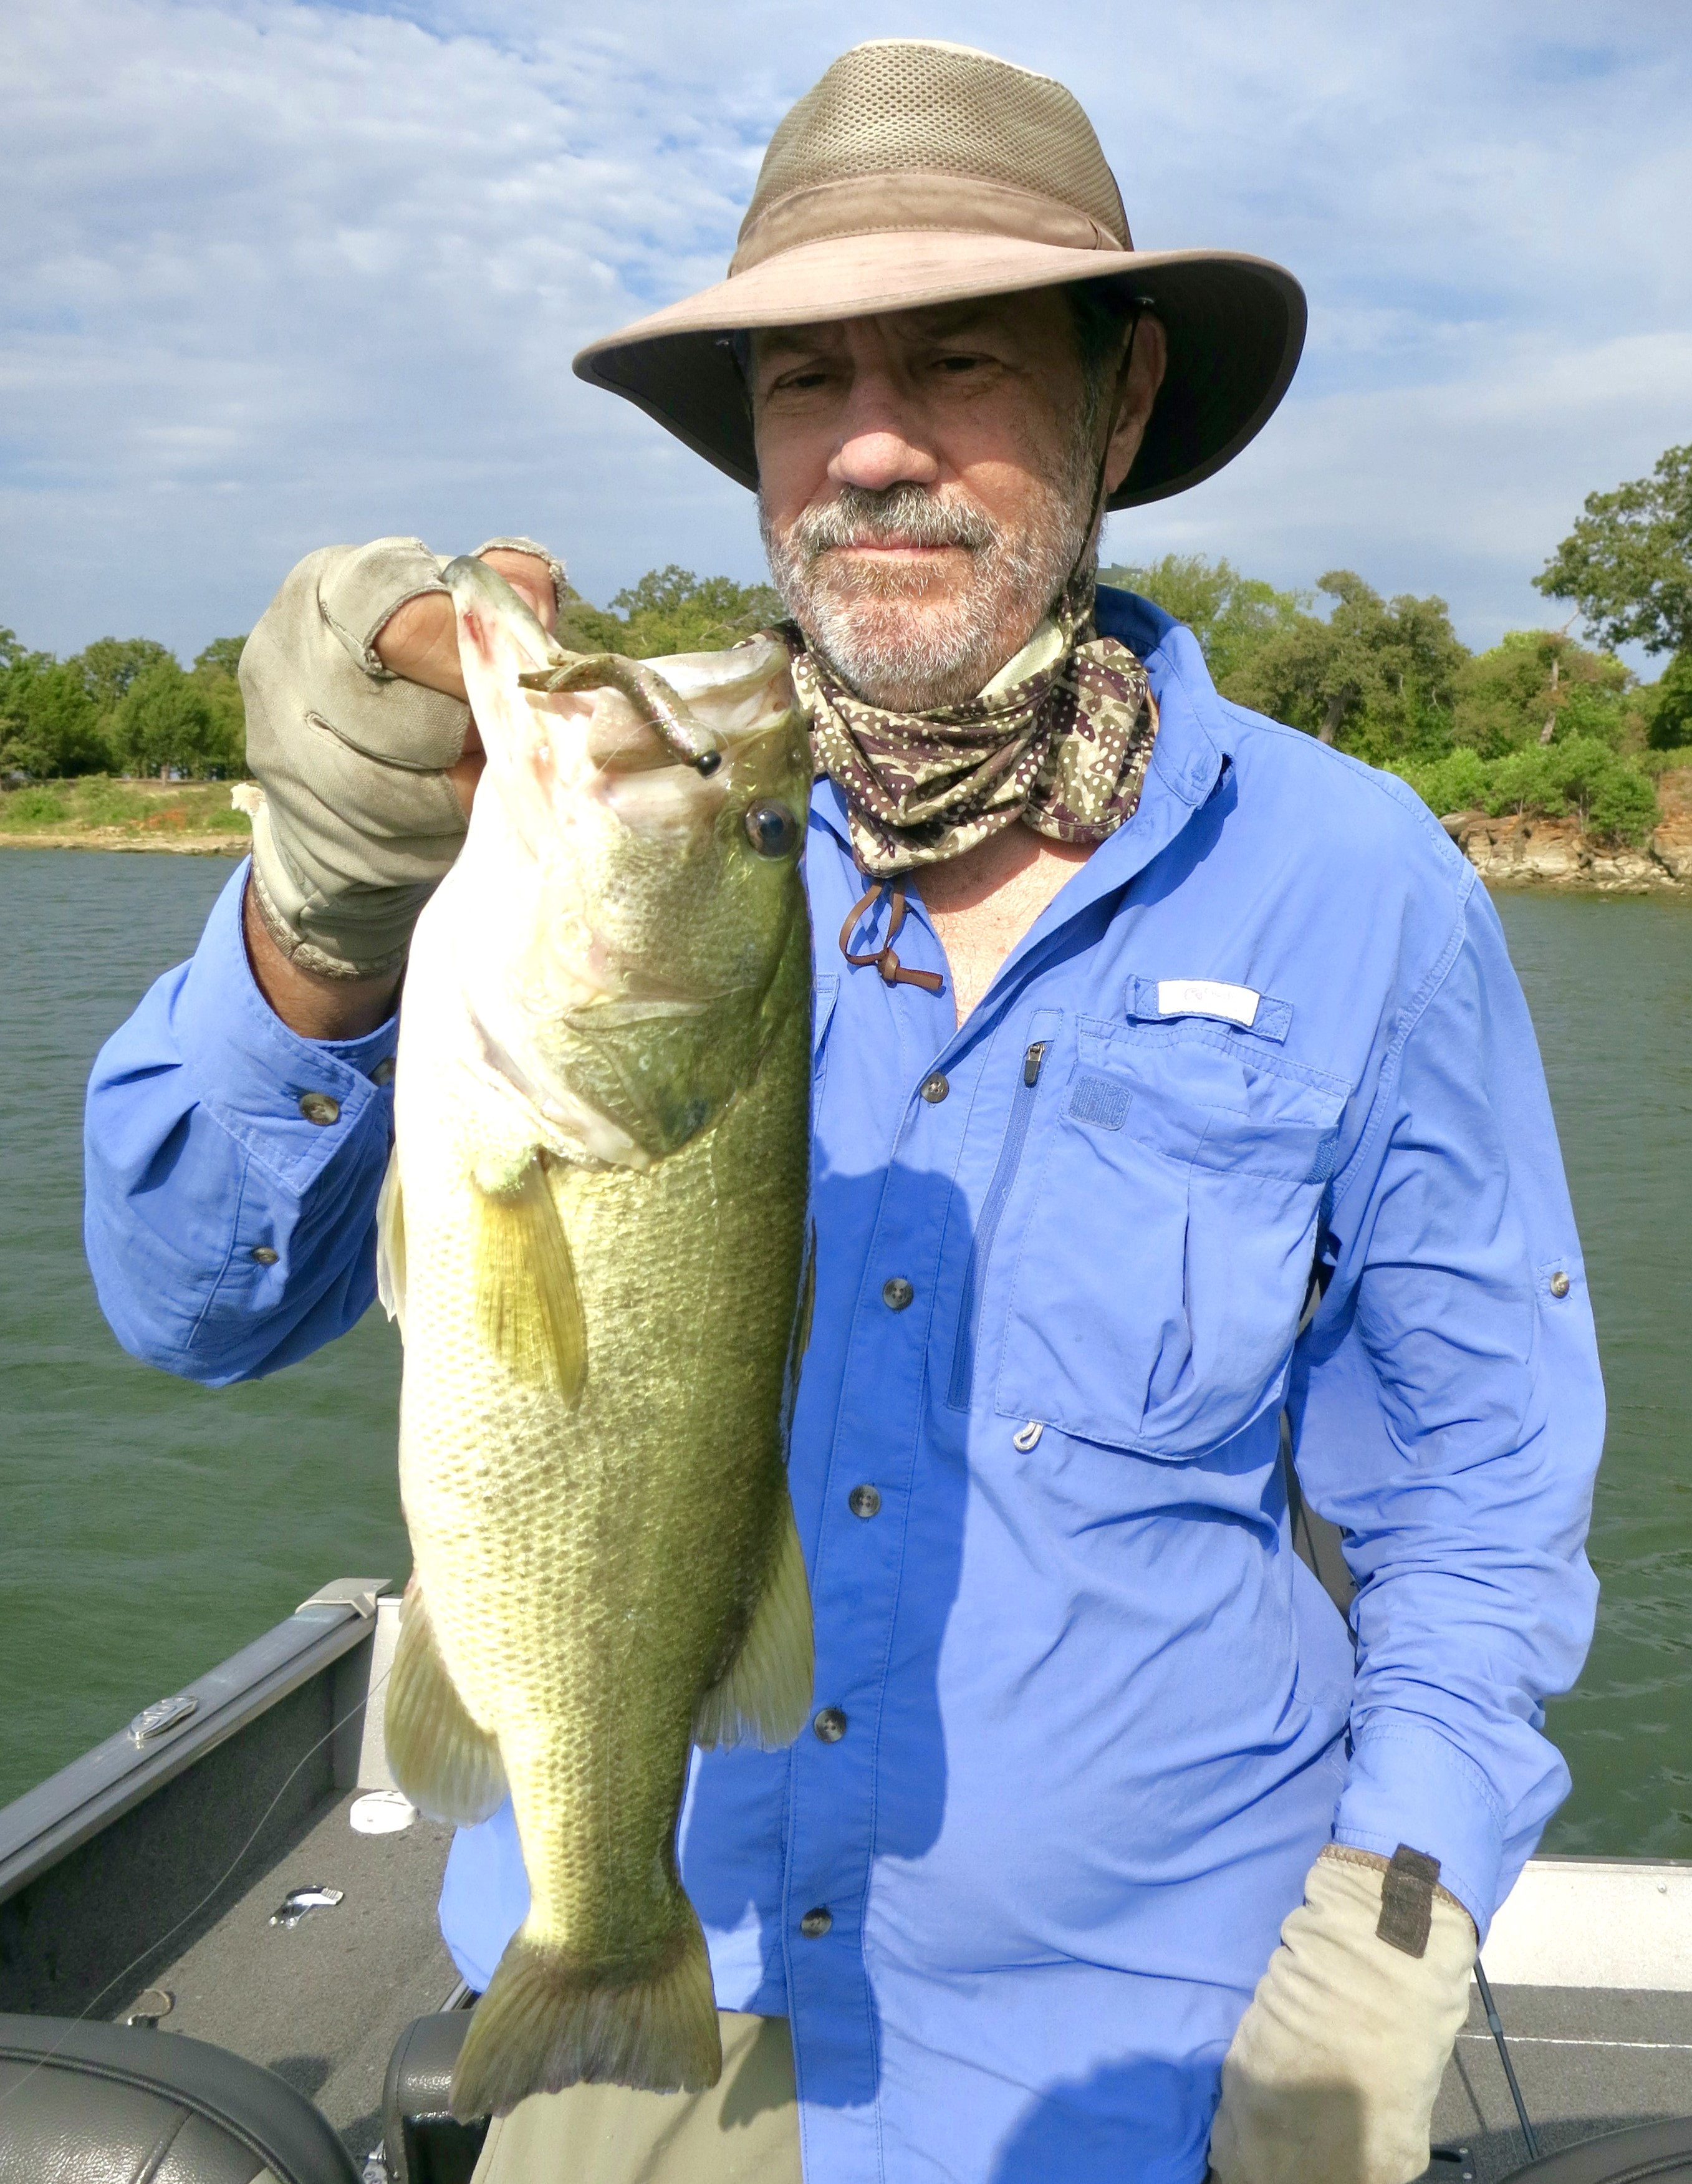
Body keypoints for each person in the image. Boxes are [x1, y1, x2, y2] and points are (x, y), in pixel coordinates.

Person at [84, 39, 1603, 2184]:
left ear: (1126, 397)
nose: (871, 441)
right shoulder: (605, 843)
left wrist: (1384, 1938)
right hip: (617, 2021)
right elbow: (188, 1300)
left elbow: (1480, 1493)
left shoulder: (1364, 891)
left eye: (960, 362)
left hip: (1132, 2067)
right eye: (805, 382)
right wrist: (326, 925)